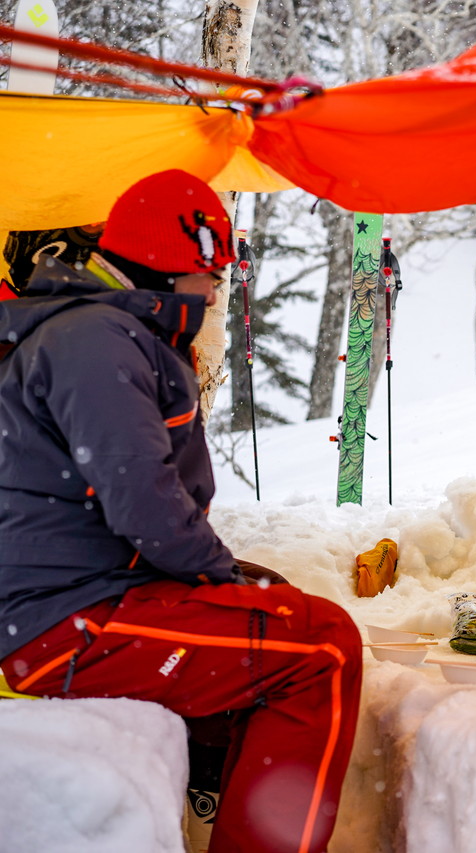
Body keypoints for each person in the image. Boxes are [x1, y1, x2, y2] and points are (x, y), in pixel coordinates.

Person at [0, 170, 362, 853]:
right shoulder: (96, 341)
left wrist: (229, 578)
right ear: (172, 267)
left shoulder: (101, 330)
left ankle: (216, 784)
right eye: (212, 277)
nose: (214, 292)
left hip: (68, 592)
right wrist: (218, 574)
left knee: (271, 601)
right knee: (322, 648)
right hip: (58, 621)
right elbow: (144, 499)